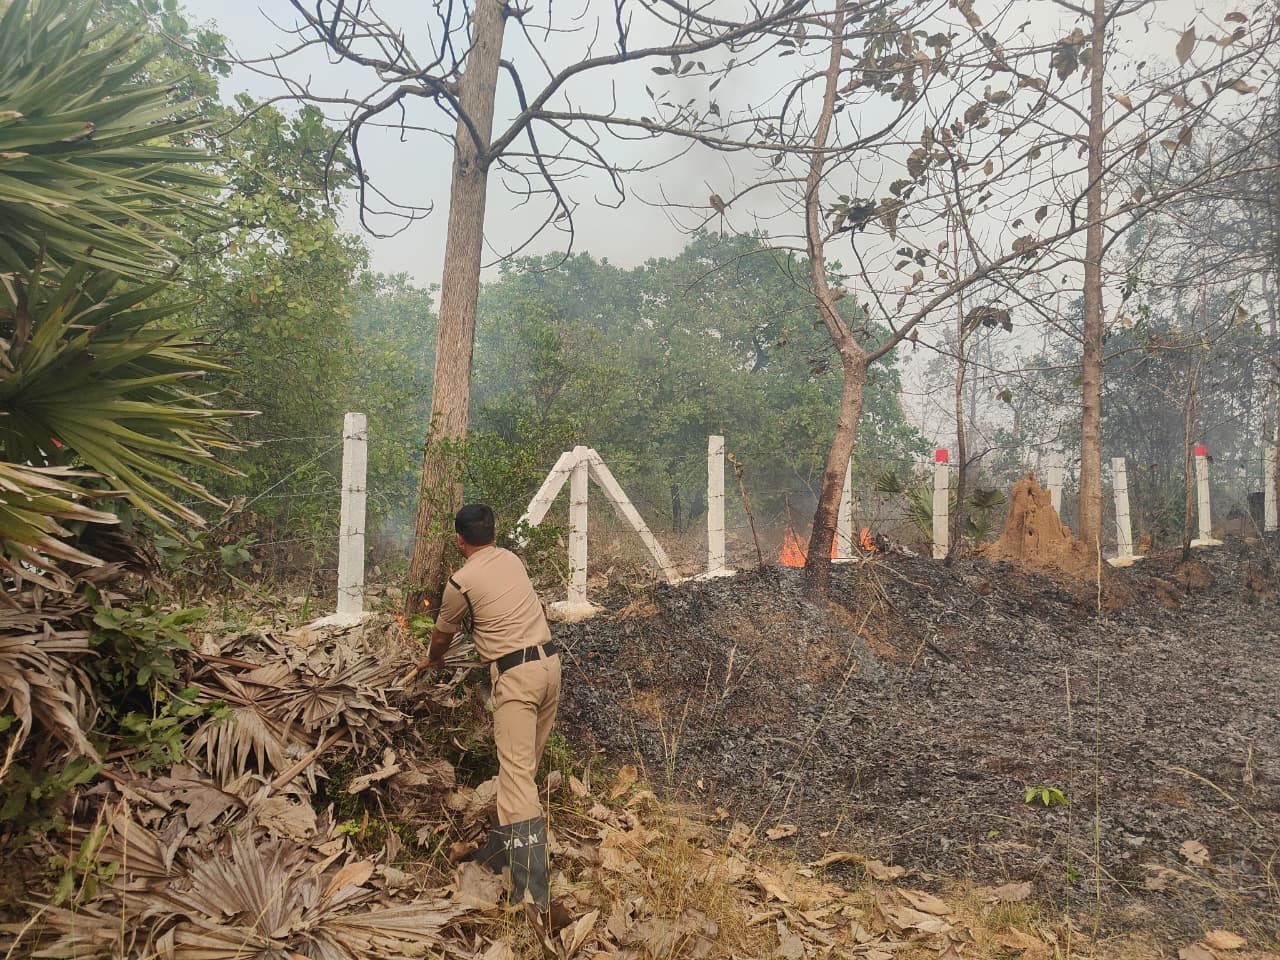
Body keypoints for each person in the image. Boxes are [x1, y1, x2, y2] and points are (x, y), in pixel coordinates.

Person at [415, 503, 561, 910]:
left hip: (516, 678)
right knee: (523, 771)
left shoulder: (460, 582)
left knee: (515, 778)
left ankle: (531, 893)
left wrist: (434, 659)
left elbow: (442, 635)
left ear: (459, 540)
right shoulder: (512, 559)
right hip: (550, 666)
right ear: (493, 533)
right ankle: (501, 852)